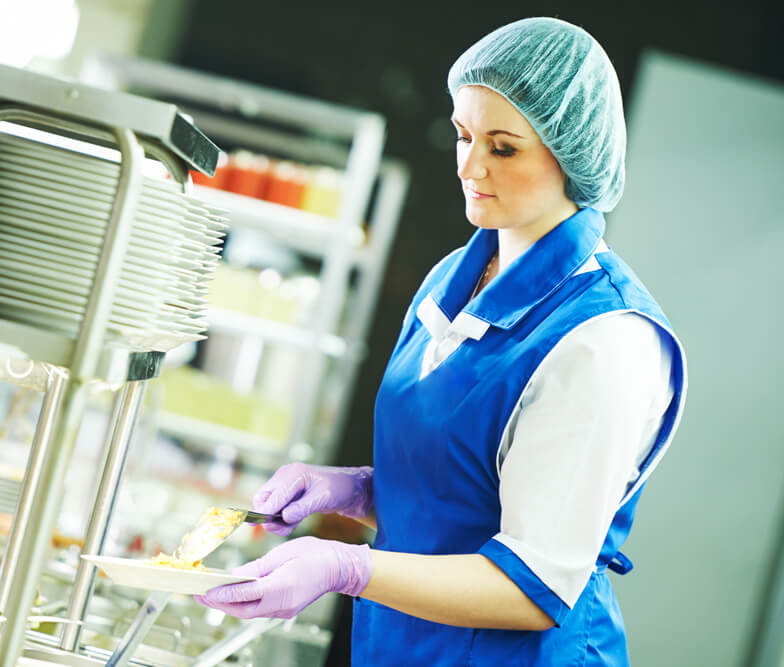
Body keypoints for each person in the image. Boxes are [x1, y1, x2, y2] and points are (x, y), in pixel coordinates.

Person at [196, 16, 687, 666]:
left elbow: (535, 585)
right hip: (409, 644)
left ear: (571, 154)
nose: (469, 164)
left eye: (503, 147)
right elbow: (465, 491)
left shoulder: (602, 342)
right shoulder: (450, 282)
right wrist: (362, 490)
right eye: (462, 134)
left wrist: (349, 567)